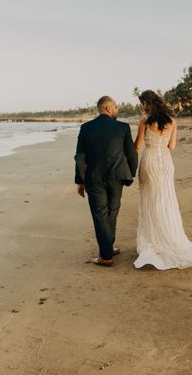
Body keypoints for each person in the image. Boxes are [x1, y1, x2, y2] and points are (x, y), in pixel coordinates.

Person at [133, 90, 192, 270]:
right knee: (165, 201)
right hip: (165, 163)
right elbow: (171, 146)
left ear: (148, 103)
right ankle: (170, 238)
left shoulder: (145, 122)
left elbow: (137, 146)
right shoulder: (172, 122)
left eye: (143, 103)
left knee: (150, 201)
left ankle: (153, 241)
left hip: (149, 162)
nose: (143, 107)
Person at [75, 96, 138, 266]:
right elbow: (132, 153)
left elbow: (80, 157)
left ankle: (106, 254)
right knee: (112, 211)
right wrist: (130, 174)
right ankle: (108, 248)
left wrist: (80, 181)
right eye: (116, 107)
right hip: (117, 177)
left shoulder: (86, 128)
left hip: (94, 179)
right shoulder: (122, 127)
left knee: (100, 214)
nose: (117, 110)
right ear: (109, 108)